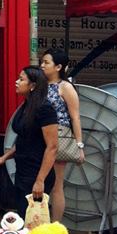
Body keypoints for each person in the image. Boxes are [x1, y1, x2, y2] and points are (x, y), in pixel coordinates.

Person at [0, 66, 58, 220]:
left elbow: (52, 147)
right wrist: (5, 157)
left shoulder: (45, 109)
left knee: (34, 221)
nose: (16, 82)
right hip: (23, 170)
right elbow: (24, 140)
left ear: (33, 85)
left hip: (37, 172)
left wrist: (40, 181)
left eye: (21, 79)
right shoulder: (26, 107)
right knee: (23, 217)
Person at [40, 48, 85, 223]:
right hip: (39, 135)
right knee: (39, 180)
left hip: (59, 136)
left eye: (46, 62)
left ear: (58, 66)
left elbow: (75, 117)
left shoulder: (65, 87)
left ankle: (55, 226)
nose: (42, 65)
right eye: (42, 62)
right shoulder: (39, 85)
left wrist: (79, 145)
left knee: (57, 184)